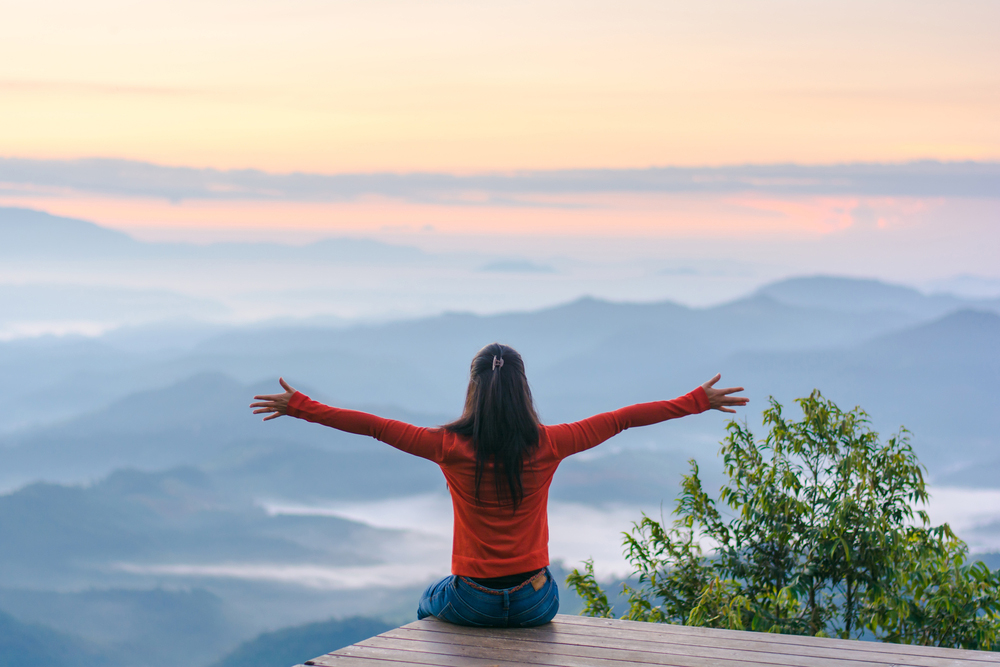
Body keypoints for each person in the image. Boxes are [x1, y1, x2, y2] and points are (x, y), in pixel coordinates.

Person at [249, 342, 747, 628]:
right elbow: (622, 420)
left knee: (427, 604)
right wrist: (696, 401)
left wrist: (301, 407)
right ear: (523, 389)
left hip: (471, 599)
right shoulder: (550, 443)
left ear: (473, 390)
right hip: (536, 601)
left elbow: (374, 425)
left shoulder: (448, 445)